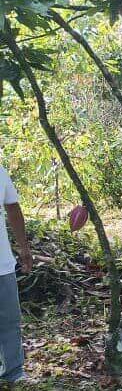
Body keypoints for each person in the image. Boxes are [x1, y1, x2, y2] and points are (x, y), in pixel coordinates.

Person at [0, 165, 32, 385]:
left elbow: (13, 208)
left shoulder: (0, 171)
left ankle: (14, 372)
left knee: (10, 319)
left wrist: (24, 248)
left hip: (2, 263)